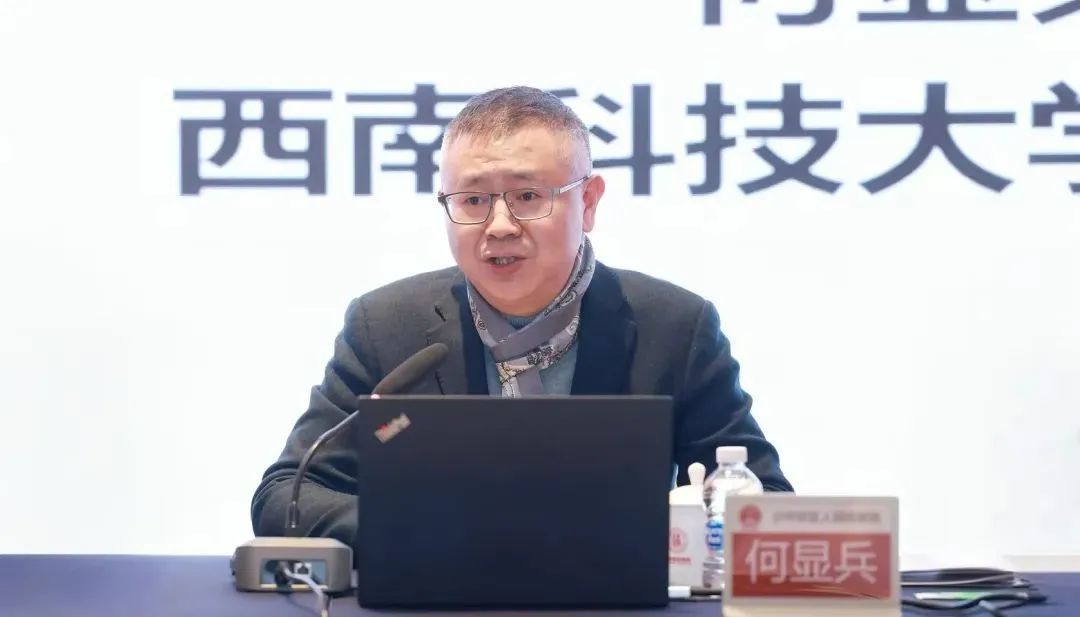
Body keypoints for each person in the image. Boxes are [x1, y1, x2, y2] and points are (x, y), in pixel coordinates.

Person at [251, 86, 792, 544]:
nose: (500, 226)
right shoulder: (387, 326)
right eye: (472, 201)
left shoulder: (674, 327)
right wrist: (416, 530)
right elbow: (287, 495)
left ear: (589, 202)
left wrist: (668, 531)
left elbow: (762, 499)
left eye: (528, 196)